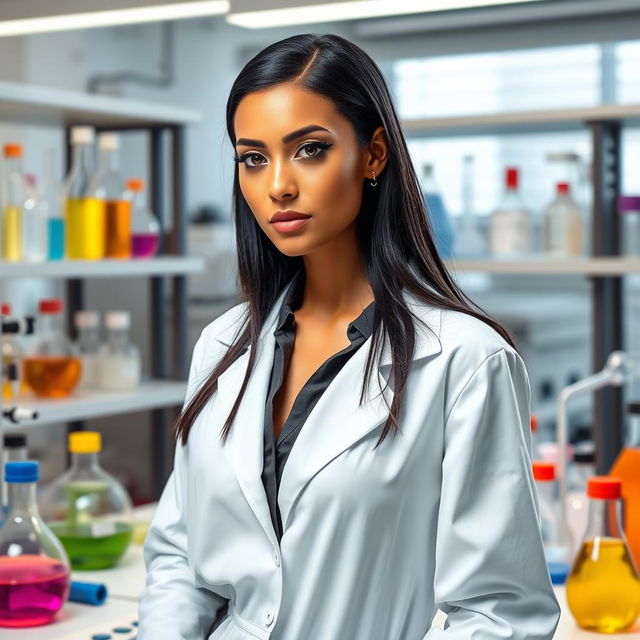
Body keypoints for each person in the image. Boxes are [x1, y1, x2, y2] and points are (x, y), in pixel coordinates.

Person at [138, 33, 560, 639]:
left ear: (374, 154)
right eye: (253, 158)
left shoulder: (465, 361)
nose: (278, 184)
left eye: (308, 149)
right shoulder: (223, 345)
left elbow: (500, 613)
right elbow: (182, 559)